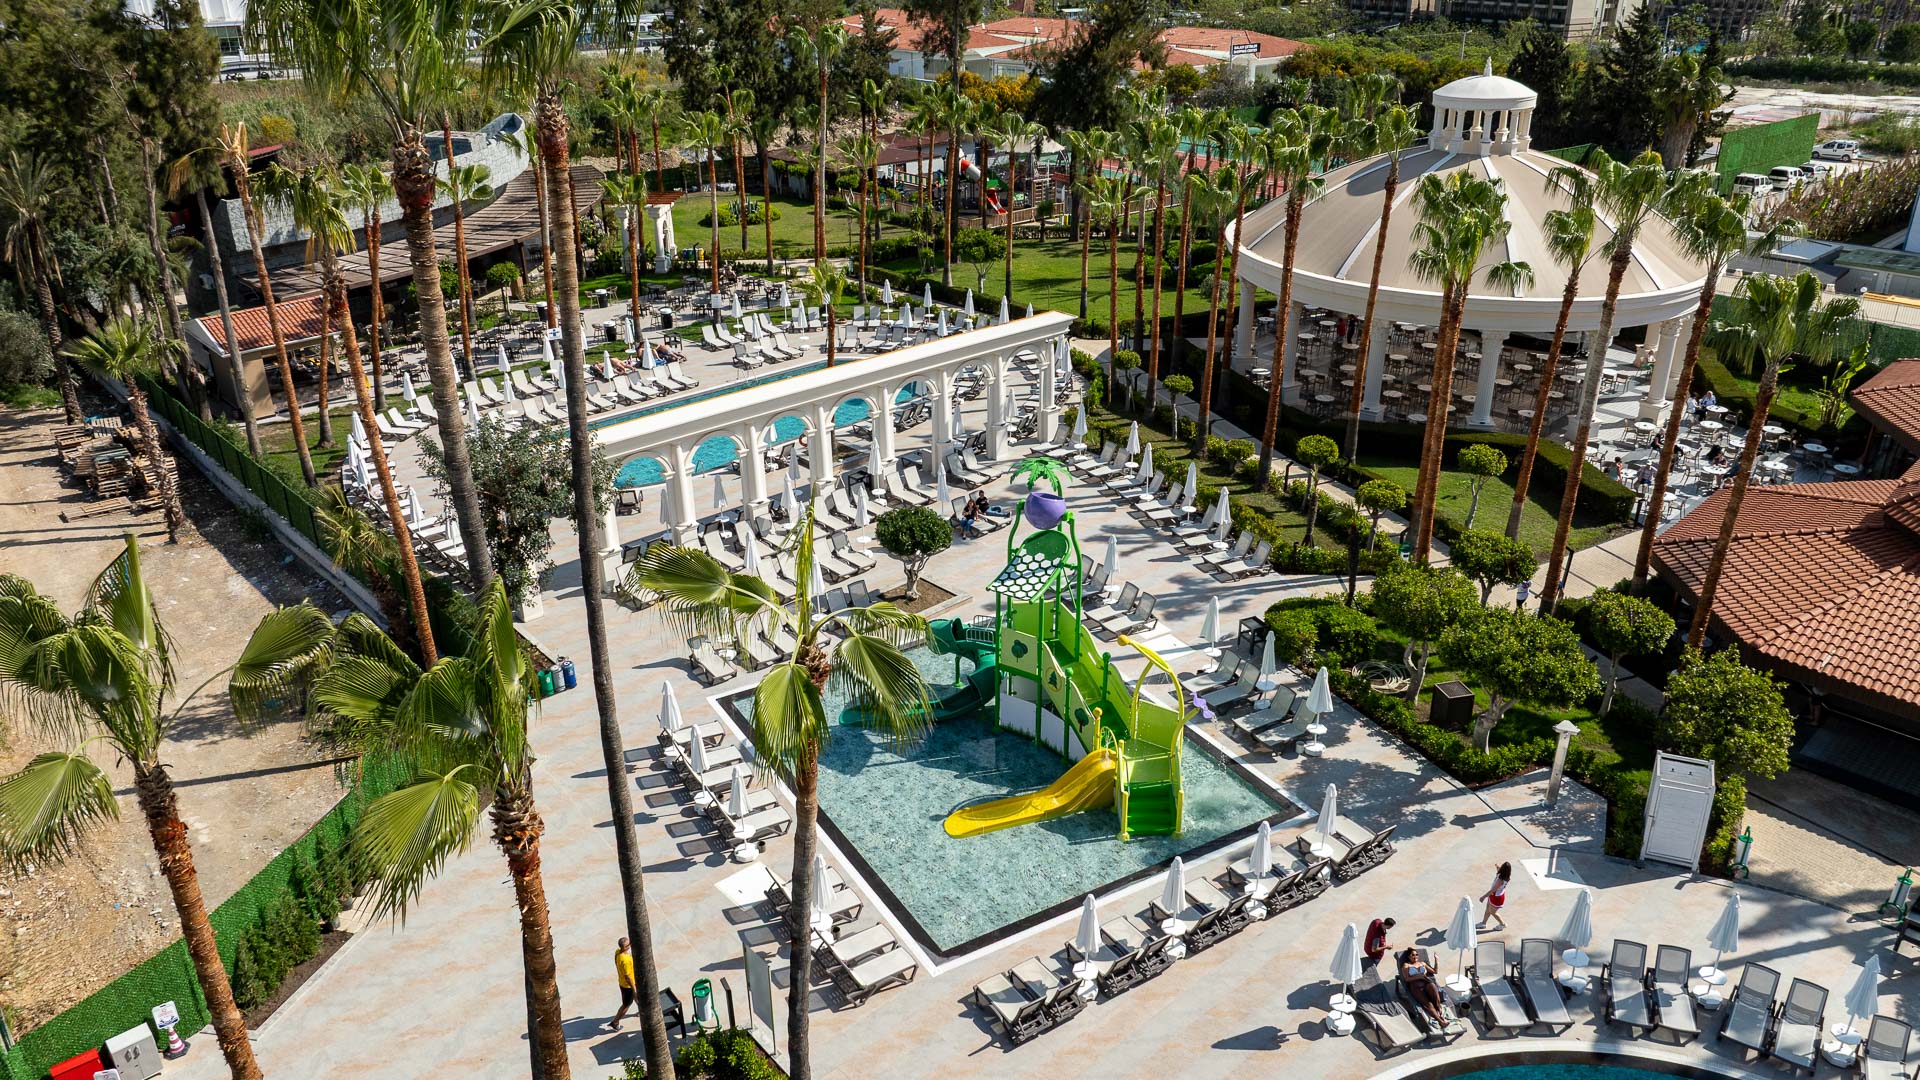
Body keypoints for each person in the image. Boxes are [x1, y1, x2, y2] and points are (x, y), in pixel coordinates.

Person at [1397, 948, 1449, 1026]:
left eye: (1416, 954)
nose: (1415, 956)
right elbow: (1407, 979)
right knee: (1428, 1004)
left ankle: (1440, 1012)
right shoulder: (1406, 965)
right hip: (1415, 986)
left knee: (1435, 994)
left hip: (1426, 983)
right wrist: (1419, 976)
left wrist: (1436, 960)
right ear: (1409, 957)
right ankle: (1440, 1021)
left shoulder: (1422, 963)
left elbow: (1435, 971)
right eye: (1413, 955)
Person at [603, 937, 636, 1031]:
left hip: (622, 982)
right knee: (626, 1005)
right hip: (627, 986)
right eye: (629, 944)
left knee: (635, 998)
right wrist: (634, 989)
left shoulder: (617, 952)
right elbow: (627, 977)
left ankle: (642, 1010)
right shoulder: (625, 960)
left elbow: (615, 961)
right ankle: (615, 1022)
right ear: (625, 947)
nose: (630, 944)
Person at [1478, 862, 1512, 930]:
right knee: (1487, 909)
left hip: (1496, 897)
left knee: (1493, 912)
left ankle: (1502, 924)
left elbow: (1492, 890)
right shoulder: (1505, 875)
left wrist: (1483, 897)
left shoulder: (1500, 880)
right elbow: (1499, 869)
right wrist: (1497, 866)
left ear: (1503, 869)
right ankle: (1483, 923)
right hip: (1494, 895)